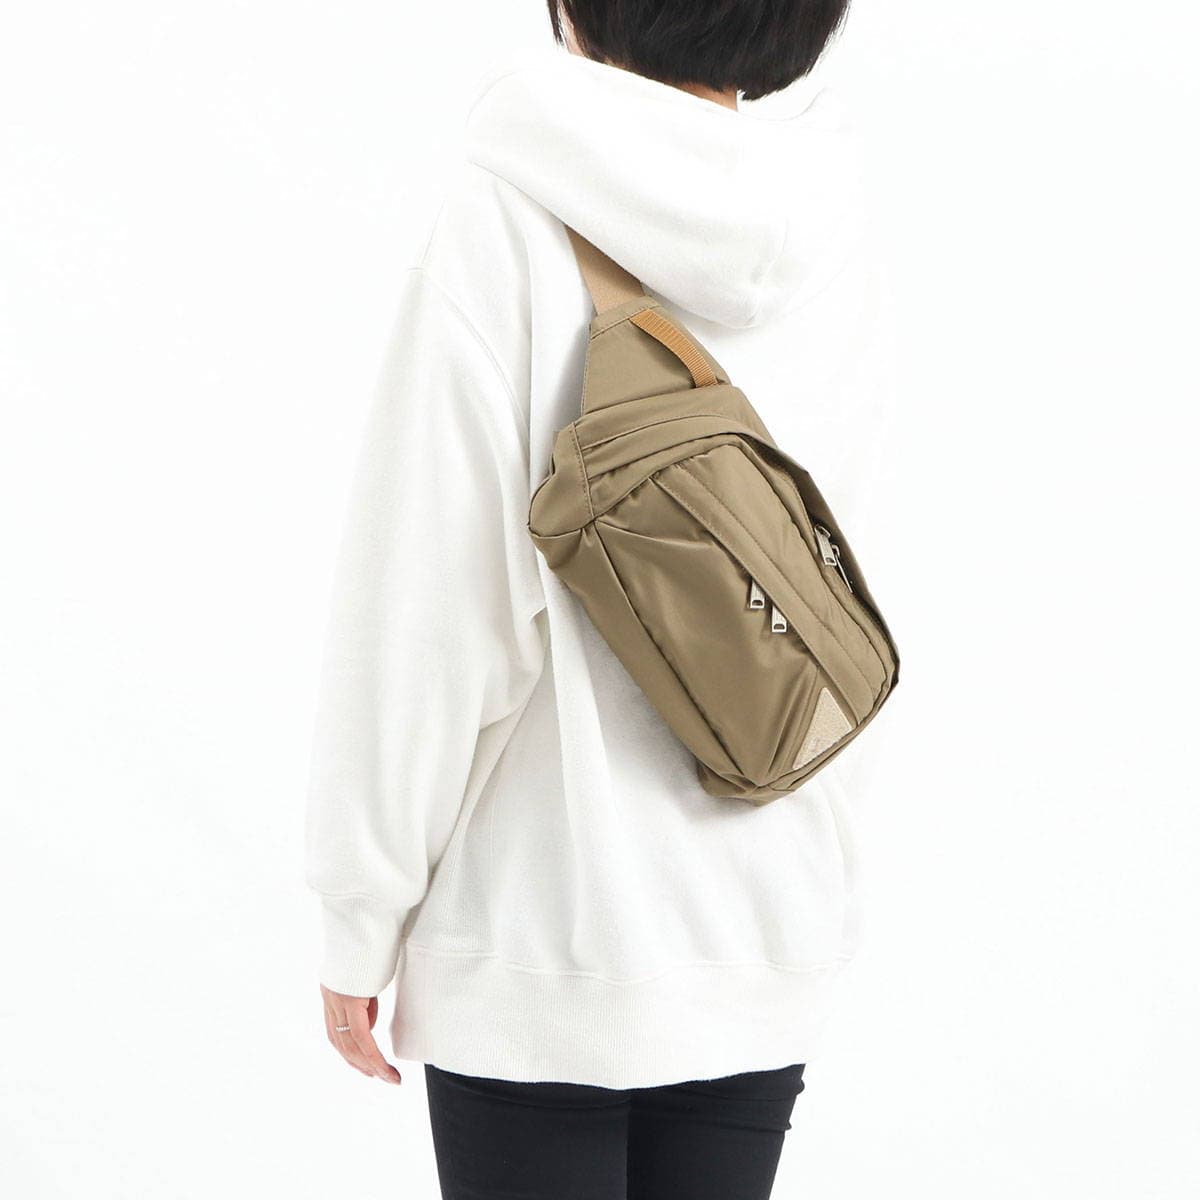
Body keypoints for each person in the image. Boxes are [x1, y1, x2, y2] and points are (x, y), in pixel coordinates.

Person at [305, 2, 895, 1196]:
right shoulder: (833, 217)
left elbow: (428, 619)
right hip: (767, 910)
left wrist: (360, 911)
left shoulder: (506, 220)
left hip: (546, 930)